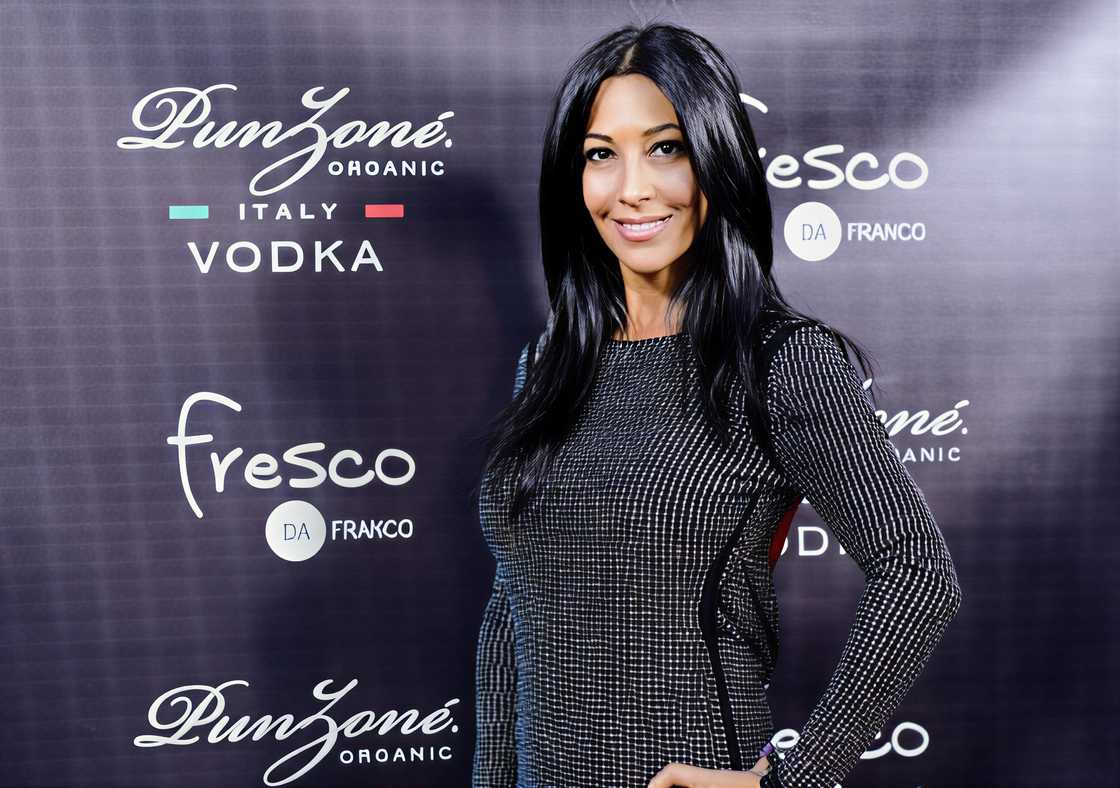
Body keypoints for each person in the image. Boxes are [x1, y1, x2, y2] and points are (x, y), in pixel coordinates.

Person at [470, 22, 962, 788]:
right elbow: (513, 608)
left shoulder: (780, 362)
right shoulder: (548, 364)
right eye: (601, 155)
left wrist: (792, 780)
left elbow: (917, 572)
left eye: (665, 147)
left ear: (716, 161)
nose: (632, 187)